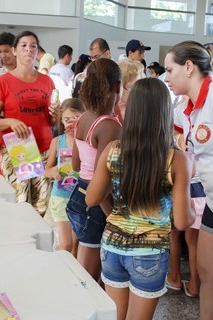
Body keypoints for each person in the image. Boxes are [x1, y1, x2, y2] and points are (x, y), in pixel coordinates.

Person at [86, 77, 195, 320]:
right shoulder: (177, 160)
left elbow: (92, 198)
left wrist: (116, 213)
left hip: (112, 246)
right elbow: (183, 221)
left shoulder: (113, 149)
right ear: (165, 112)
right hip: (150, 253)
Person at [164, 40, 213, 320]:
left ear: (188, 67)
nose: (167, 77)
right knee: (208, 272)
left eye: (170, 70)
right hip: (212, 201)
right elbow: (191, 157)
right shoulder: (184, 109)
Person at [0, 30, 58, 216]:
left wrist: (56, 115)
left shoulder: (47, 82)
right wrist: (10, 121)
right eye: (23, 45)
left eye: (33, 46)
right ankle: (17, 241)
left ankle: (35, 243)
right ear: (15, 51)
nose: (28, 49)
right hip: (19, 147)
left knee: (42, 204)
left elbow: (52, 121)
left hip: (44, 146)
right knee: (21, 202)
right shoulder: (3, 82)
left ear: (37, 51)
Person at [66, 58, 122, 281]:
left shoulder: (84, 118)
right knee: (89, 276)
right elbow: (102, 179)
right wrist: (114, 217)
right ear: (117, 87)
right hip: (98, 201)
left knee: (86, 267)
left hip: (79, 194)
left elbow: (76, 165)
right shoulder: (110, 126)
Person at [166, 133, 205, 298]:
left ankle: (175, 278)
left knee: (174, 236)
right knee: (193, 243)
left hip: (185, 188)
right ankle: (194, 284)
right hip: (203, 189)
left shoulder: (180, 132)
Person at [45, 98, 85, 255]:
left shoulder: (87, 141)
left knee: (76, 243)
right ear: (61, 121)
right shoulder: (57, 141)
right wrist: (53, 171)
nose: (71, 123)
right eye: (67, 119)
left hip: (80, 197)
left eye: (76, 119)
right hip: (61, 196)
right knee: (66, 244)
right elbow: (46, 170)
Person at [114, 58, 145, 124]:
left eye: (138, 87)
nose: (136, 93)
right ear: (119, 87)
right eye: (131, 87)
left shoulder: (142, 108)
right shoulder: (111, 111)